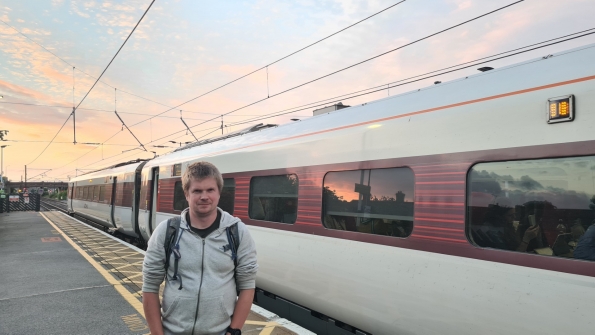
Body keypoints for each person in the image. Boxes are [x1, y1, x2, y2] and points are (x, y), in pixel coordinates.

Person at [142, 161, 258, 335]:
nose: (204, 196)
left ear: (219, 193)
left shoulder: (237, 232)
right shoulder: (167, 231)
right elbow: (150, 286)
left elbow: (247, 285)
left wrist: (234, 331)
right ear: (187, 194)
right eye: (197, 191)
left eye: (210, 190)